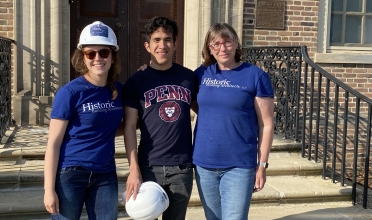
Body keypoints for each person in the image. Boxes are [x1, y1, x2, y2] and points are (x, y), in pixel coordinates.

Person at [192, 23, 274, 220]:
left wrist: (262, 165)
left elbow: (266, 124)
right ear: (209, 48)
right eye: (216, 44)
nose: (222, 48)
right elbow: (197, 105)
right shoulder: (200, 75)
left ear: (236, 43)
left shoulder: (255, 76)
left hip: (238, 164)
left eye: (227, 42)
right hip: (204, 162)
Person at [43, 21, 123, 219]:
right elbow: (53, 144)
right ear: (83, 57)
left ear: (112, 56)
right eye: (90, 53)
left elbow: (108, 128)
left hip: (105, 174)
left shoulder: (118, 90)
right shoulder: (70, 92)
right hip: (70, 173)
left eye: (104, 52)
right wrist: (48, 190)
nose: (98, 58)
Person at [122, 16, 198, 220]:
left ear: (175, 44)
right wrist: (133, 169)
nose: (162, 45)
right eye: (156, 40)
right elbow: (129, 126)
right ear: (147, 45)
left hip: (181, 167)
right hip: (148, 167)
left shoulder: (189, 78)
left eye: (167, 39)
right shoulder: (136, 81)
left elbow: (207, 111)